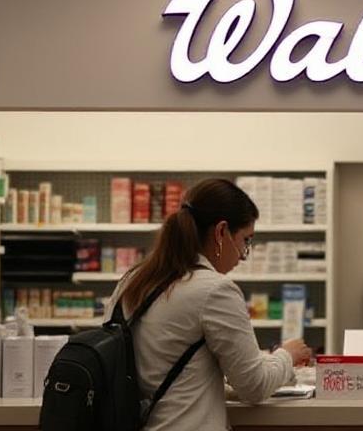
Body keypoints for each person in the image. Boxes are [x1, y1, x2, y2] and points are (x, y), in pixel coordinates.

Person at [107, 178, 312, 431]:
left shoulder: (132, 280)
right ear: (221, 232)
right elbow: (254, 387)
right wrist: (287, 355)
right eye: (246, 240)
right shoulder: (215, 290)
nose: (243, 255)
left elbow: (166, 371)